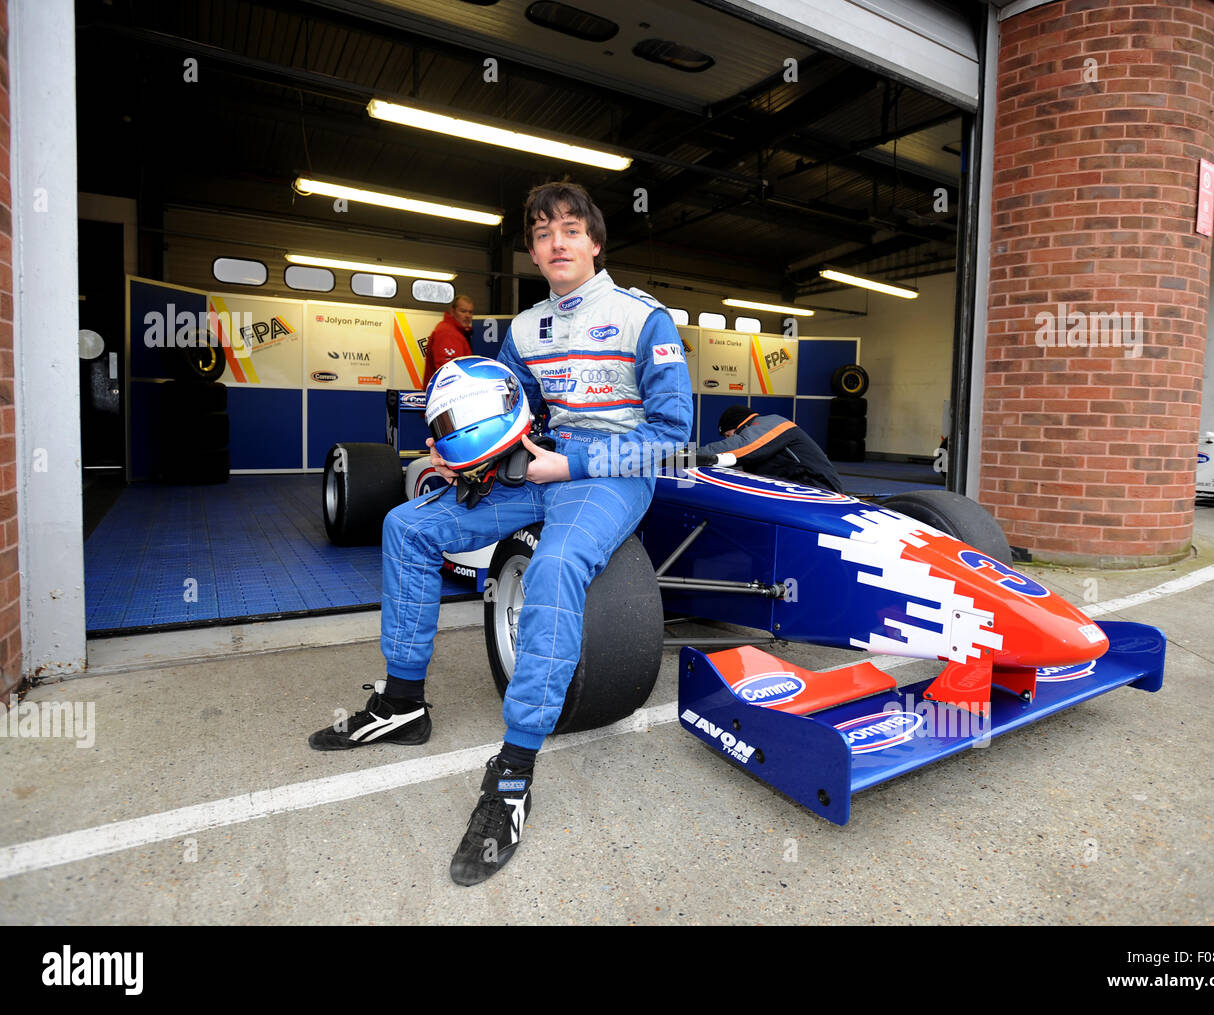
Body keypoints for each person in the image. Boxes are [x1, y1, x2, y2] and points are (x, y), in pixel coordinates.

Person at [308, 181, 694, 886]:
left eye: (569, 230)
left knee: (551, 569)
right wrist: (467, 457)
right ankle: (401, 703)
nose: (555, 243)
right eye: (542, 233)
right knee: (406, 527)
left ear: (595, 241)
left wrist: (567, 461)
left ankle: (513, 771)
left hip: (609, 477)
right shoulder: (524, 329)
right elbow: (506, 409)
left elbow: (673, 439)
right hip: (534, 467)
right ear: (533, 249)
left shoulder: (646, 319)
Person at [698, 405, 844, 493]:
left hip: (821, 490)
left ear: (738, 425)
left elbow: (738, 447)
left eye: (728, 435)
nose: (727, 440)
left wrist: (687, 455)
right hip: (802, 487)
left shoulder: (770, 423)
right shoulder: (760, 433)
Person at [422, 294, 474, 383]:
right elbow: (448, 372)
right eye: (463, 311)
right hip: (446, 393)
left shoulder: (458, 333)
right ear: (452, 311)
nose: (467, 316)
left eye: (470, 312)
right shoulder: (447, 333)